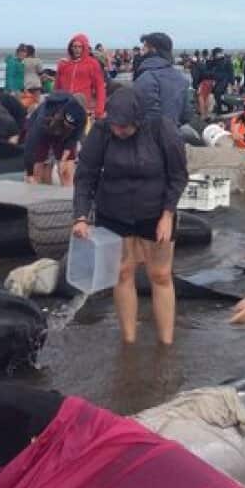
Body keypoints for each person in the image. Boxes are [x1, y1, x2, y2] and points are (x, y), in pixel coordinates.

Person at [73, 88, 187, 345]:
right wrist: (80, 216)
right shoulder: (102, 131)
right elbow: (85, 176)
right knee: (122, 273)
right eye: (115, 125)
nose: (119, 131)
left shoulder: (160, 128)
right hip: (113, 212)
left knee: (160, 274)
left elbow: (178, 175)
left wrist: (168, 214)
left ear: (138, 120)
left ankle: (166, 343)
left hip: (155, 211)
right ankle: (129, 341)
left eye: (125, 127)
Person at [24, 92, 87, 185]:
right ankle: (36, 191)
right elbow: (30, 146)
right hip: (45, 129)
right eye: (67, 125)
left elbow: (73, 139)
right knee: (37, 171)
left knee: (66, 171)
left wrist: (63, 159)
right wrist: (30, 174)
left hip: (64, 135)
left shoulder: (81, 118)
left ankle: (69, 195)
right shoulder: (43, 118)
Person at [133, 32, 191, 125]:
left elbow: (145, 114)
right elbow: (186, 114)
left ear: (153, 50)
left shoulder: (147, 77)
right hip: (174, 133)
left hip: (150, 136)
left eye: (145, 47)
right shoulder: (180, 77)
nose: (142, 50)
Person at [55, 33, 107, 119]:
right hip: (64, 105)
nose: (77, 50)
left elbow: (100, 87)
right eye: (74, 47)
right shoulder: (64, 64)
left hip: (83, 106)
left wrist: (99, 109)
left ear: (84, 48)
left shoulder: (92, 63)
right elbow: (57, 87)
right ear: (71, 47)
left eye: (80, 47)